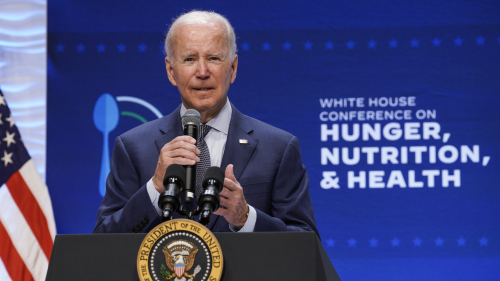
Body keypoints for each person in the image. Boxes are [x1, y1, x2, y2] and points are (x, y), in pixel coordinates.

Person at [93, 10, 318, 236]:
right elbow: (102, 242)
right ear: (171, 71)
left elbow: (306, 244)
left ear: (233, 68)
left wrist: (245, 218)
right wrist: (154, 188)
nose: (202, 72)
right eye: (190, 59)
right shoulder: (133, 148)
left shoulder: (278, 148)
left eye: (213, 58)